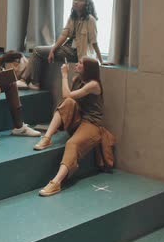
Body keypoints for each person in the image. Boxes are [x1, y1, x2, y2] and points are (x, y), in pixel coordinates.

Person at [34, 57, 115, 196]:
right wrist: (68, 79)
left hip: (91, 124)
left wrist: (64, 75)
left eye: (81, 63)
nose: (77, 64)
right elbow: (68, 99)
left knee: (72, 143)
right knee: (68, 103)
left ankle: (56, 183)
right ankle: (47, 138)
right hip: (78, 120)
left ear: (88, 68)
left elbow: (66, 94)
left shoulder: (93, 85)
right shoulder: (77, 80)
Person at [19, 0, 104, 90]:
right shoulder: (73, 17)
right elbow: (64, 35)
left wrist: (101, 61)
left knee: (38, 50)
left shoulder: (90, 20)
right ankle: (31, 82)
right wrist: (53, 49)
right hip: (67, 49)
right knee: (39, 52)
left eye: (80, 0)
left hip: (77, 53)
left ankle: (28, 81)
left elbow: (94, 42)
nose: (76, 2)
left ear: (87, 4)